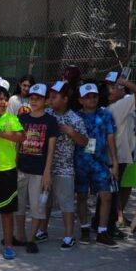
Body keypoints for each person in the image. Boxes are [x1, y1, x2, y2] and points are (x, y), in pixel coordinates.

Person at [41, 81, 88, 250]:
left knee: (66, 202)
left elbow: (85, 142)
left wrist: (70, 132)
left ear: (65, 99)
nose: (51, 100)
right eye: (50, 97)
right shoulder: (45, 113)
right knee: (44, 202)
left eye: (55, 97)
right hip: (44, 167)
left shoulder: (75, 119)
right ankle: (42, 230)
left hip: (64, 168)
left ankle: (69, 236)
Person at [74, 83, 119, 247]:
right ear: (80, 100)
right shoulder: (75, 116)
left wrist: (114, 162)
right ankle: (85, 228)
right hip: (81, 162)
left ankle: (102, 231)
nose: (91, 99)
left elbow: (110, 138)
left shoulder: (106, 115)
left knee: (106, 195)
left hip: (100, 162)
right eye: (87, 96)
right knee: (81, 196)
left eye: (94, 96)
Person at [14, 83, 57, 253]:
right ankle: (20, 236)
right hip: (22, 168)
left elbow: (51, 148)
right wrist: (15, 166)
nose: (34, 101)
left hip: (39, 171)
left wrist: (47, 171)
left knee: (37, 206)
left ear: (46, 101)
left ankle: (32, 238)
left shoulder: (50, 121)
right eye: (31, 98)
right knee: (19, 204)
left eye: (38, 98)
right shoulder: (22, 118)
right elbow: (18, 143)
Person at [0, 84, 26, 259]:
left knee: (6, 211)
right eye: (0, 98)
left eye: (5, 99)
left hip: (6, 170)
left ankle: (8, 245)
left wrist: (0, 133)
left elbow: (22, 136)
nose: (4, 102)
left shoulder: (10, 119)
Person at [104, 71, 136, 235]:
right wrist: (125, 82)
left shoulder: (122, 104)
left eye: (113, 86)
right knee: (112, 191)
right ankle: (111, 223)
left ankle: (109, 220)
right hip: (117, 156)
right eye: (109, 87)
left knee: (116, 189)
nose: (110, 90)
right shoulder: (121, 105)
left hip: (126, 153)